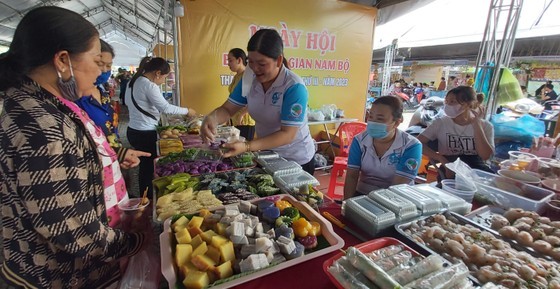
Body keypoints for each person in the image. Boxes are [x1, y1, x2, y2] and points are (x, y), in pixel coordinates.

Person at [0, 6, 148, 288]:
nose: (100, 71)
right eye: (96, 60)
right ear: (63, 60)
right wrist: (137, 240)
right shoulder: (44, 127)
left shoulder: (31, 103)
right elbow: (75, 231)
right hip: (59, 277)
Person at [200, 29, 316, 174]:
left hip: (295, 159)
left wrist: (247, 146)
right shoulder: (248, 78)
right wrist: (212, 118)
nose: (255, 69)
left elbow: (287, 134)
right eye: (251, 62)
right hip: (266, 153)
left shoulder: (294, 87)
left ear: (279, 60)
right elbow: (228, 109)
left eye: (261, 64)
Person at [75, 39, 150, 226]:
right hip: (95, 176)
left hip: (112, 161)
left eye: (108, 66)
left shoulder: (102, 91)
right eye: (99, 64)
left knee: (121, 217)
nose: (103, 71)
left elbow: (109, 129)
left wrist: (118, 153)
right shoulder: (75, 100)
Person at [125, 56, 196, 197]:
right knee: (148, 169)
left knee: (144, 166)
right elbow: (165, 108)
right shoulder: (149, 85)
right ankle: (148, 198)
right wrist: (188, 111)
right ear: (157, 73)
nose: (163, 81)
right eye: (164, 77)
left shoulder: (132, 82)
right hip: (145, 133)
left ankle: (144, 196)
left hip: (133, 130)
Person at [343, 96, 422, 199]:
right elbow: (352, 176)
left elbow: (398, 186)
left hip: (397, 198)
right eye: (371, 117)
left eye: (380, 119)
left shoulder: (411, 145)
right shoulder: (359, 141)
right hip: (363, 193)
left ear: (397, 122)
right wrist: (347, 203)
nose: (373, 122)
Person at [418, 86, 495, 178]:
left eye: (452, 102)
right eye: (446, 101)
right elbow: (419, 143)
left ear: (468, 104)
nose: (448, 105)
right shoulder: (441, 123)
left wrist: (477, 125)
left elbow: (485, 156)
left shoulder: (486, 126)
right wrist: (441, 158)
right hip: (449, 167)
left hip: (476, 171)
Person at [227, 48, 256, 141]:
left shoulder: (248, 76)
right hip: (235, 120)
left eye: (230, 60)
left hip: (244, 121)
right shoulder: (237, 76)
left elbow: (253, 100)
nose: (228, 63)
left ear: (239, 60)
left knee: (244, 151)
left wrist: (242, 114)